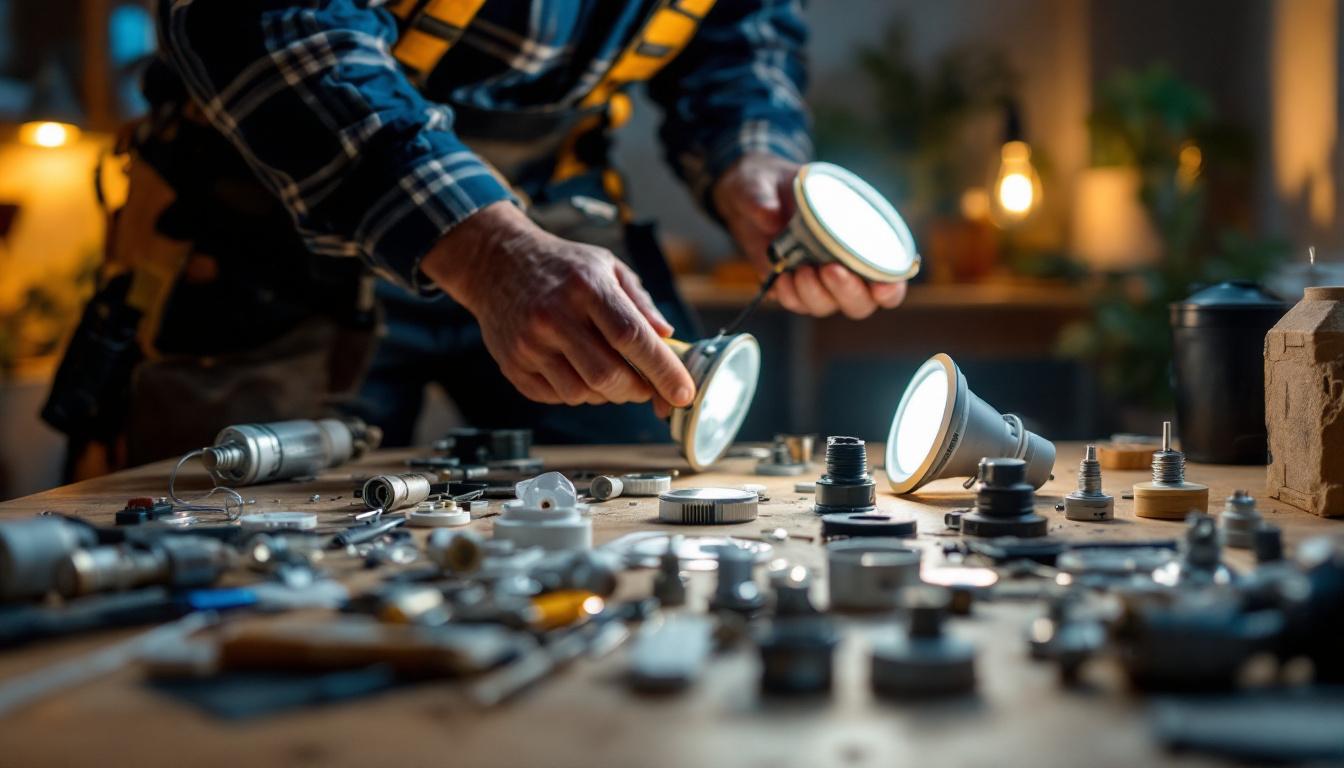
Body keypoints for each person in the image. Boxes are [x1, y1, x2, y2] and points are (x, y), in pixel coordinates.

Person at [45, 0, 908, 471]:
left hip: (553, 209)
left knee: (655, 494)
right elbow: (266, 18)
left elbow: (741, 30)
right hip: (280, 189)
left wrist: (751, 164)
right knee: (213, 523)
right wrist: (489, 249)